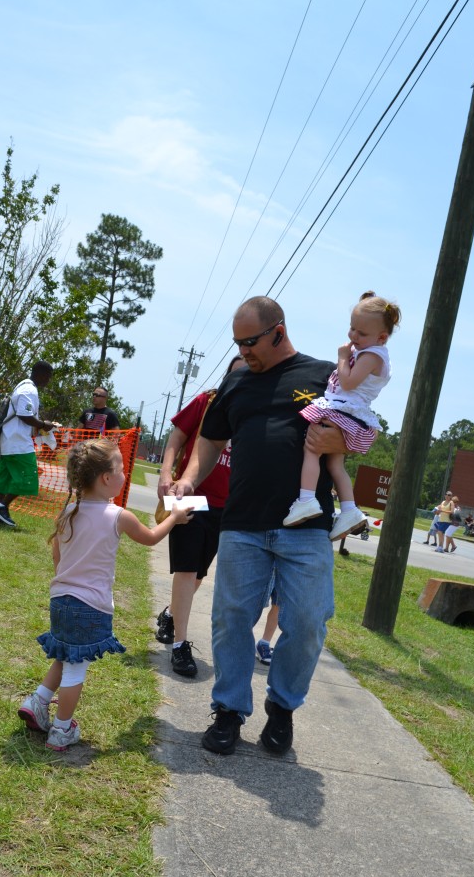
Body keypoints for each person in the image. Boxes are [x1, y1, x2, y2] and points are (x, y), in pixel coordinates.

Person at [172, 295, 346, 756]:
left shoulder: (324, 375)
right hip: (243, 524)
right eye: (238, 343)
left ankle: (282, 708)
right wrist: (190, 479)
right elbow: (210, 438)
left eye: (250, 342)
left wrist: (343, 438)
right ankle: (228, 711)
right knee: (231, 619)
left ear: (278, 331)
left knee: (308, 622)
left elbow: (364, 427)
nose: (244, 351)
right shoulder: (237, 384)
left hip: (305, 526)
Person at [18, 439, 193, 751]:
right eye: (122, 469)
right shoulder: (118, 516)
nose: (125, 474)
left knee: (64, 655)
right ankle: (61, 729)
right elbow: (151, 538)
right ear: (105, 479)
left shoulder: (68, 511)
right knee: (76, 667)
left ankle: (38, 701)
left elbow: (58, 557)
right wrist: (175, 519)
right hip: (90, 606)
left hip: (60, 600)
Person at [283, 291, 401, 539]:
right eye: (352, 328)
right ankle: (349, 509)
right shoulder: (371, 352)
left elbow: (347, 382)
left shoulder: (372, 355)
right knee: (335, 463)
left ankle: (306, 499)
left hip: (342, 409)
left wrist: (342, 358)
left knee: (311, 449)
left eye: (361, 333)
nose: (353, 336)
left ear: (381, 337)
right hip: (349, 412)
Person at [155, 355, 246, 677]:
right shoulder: (206, 402)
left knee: (198, 575)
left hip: (228, 506)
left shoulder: (253, 412)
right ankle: (180, 646)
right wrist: (166, 473)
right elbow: (176, 438)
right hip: (189, 495)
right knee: (185, 568)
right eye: (236, 374)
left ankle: (170, 615)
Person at [0, 361, 55, 529]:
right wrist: (43, 424)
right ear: (40, 374)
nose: (48, 380)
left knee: (4, 478)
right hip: (18, 441)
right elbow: (24, 415)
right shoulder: (29, 390)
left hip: (8, 439)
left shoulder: (22, 386)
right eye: (48, 376)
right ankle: (1, 507)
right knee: (29, 476)